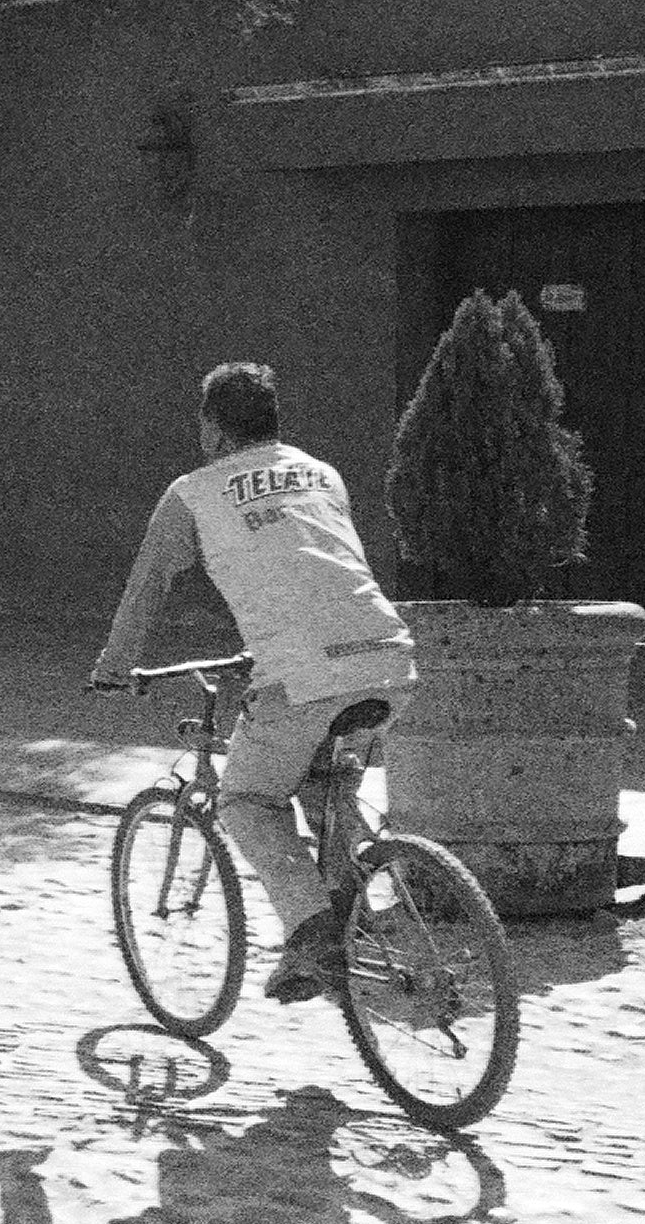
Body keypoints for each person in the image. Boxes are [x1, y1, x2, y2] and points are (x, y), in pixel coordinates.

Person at [88, 361, 418, 1004]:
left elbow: (149, 583)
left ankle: (313, 932)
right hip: (387, 657)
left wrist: (113, 666)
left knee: (247, 801)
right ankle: (364, 921)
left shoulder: (193, 491)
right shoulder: (322, 473)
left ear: (212, 429)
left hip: (304, 673)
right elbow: (312, 566)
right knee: (327, 794)